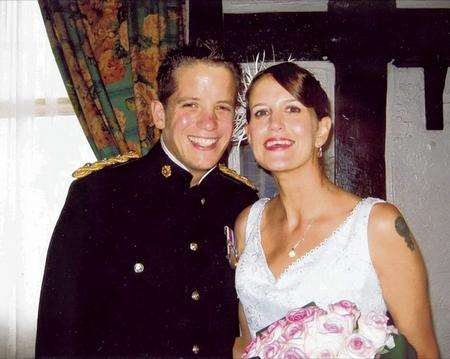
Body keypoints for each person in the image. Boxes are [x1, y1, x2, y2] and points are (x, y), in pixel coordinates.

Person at [35, 45, 258, 358]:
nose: (208, 123)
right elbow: (58, 338)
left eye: (222, 107)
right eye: (191, 105)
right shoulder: (98, 196)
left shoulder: (244, 203)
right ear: (159, 114)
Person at [233, 62, 439, 358]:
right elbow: (246, 340)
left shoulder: (376, 224)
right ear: (250, 134)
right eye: (261, 112)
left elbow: (424, 351)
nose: (274, 124)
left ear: (322, 130)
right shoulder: (247, 223)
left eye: (292, 109)